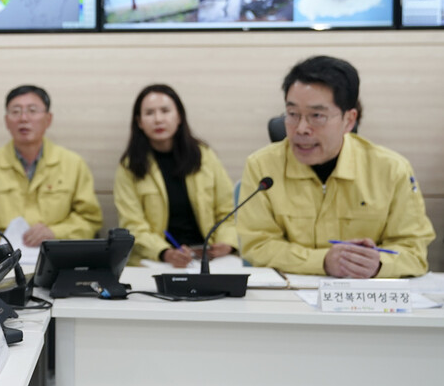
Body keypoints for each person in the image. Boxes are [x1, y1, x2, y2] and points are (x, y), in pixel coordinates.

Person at [238, 56, 435, 278]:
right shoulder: (262, 166)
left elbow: (414, 252)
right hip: (289, 298)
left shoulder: (391, 170)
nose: (301, 128)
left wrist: (379, 264)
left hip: (364, 301)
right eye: (292, 114)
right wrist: (323, 261)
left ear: (349, 120)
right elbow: (257, 246)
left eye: (317, 116)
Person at [0, 85, 102, 256]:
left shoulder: (74, 164)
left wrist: (55, 232)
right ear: (6, 121)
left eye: (32, 110)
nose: (23, 118)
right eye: (16, 111)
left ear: (48, 119)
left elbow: (90, 219)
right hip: (3, 262)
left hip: (57, 259)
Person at [114, 84, 237, 267]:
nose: (158, 119)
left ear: (179, 116)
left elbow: (227, 211)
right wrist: (165, 252)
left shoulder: (204, 156)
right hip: (156, 260)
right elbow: (133, 226)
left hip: (209, 257)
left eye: (165, 111)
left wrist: (227, 244)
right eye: (149, 113)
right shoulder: (129, 167)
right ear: (139, 122)